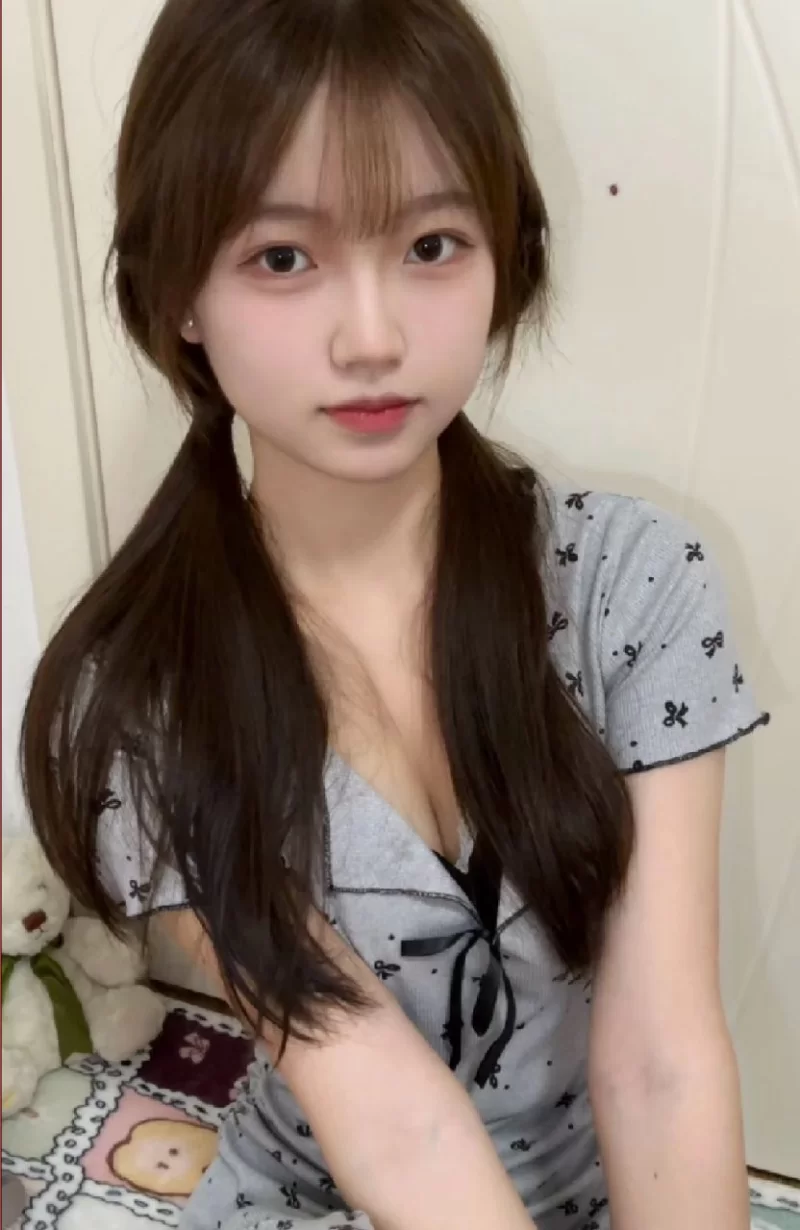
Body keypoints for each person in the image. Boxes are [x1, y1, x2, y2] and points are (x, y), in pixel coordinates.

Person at [20, 1, 771, 1228]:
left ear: (503, 255)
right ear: (178, 294)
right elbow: (395, 1122)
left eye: (430, 244)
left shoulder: (630, 584)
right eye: (282, 257)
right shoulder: (143, 699)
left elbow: (660, 1062)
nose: (372, 338)